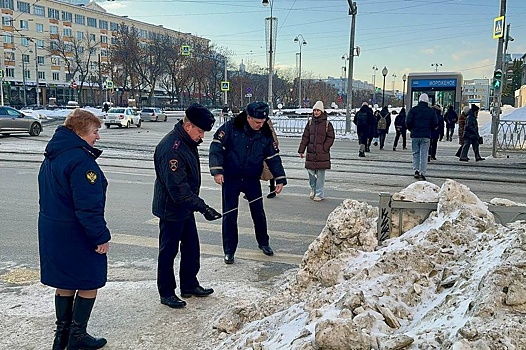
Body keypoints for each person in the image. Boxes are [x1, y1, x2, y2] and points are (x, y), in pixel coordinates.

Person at [38, 109, 110, 350]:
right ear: (80, 133)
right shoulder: (80, 160)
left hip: (53, 229)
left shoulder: (53, 154)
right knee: (90, 281)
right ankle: (77, 336)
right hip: (77, 232)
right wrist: (100, 237)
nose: (97, 137)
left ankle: (62, 337)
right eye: (94, 132)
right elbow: (88, 206)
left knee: (66, 280)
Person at [152, 103, 222, 309]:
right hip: (171, 208)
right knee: (168, 252)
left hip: (185, 207)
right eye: (200, 131)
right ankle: (166, 292)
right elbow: (178, 189)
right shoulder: (171, 149)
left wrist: (197, 206)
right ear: (188, 125)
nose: (202, 136)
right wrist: (203, 207)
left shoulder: (186, 142)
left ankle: (189, 284)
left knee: (191, 248)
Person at [209, 101, 287, 265]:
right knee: (230, 215)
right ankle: (229, 251)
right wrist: (217, 171)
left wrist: (280, 178)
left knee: (258, 213)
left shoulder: (265, 132)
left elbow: (273, 157)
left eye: (263, 122)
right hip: (231, 178)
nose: (260, 125)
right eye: (257, 122)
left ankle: (264, 243)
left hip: (252, 179)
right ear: (248, 117)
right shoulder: (231, 127)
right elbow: (216, 148)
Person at [298, 100, 335, 201]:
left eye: (318, 110)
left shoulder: (327, 124)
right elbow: (305, 137)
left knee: (320, 175)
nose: (316, 112)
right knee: (310, 172)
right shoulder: (310, 123)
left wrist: (324, 148)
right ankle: (313, 189)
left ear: (322, 111)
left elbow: (331, 137)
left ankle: (319, 193)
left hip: (322, 153)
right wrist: (301, 150)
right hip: (311, 152)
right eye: (315, 110)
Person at [406, 93, 438, 181]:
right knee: (424, 154)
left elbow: (408, 122)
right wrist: (430, 129)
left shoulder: (413, 110)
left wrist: (412, 129)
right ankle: (422, 172)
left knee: (415, 153)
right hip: (426, 135)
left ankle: (416, 170)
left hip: (415, 135)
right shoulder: (431, 111)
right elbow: (435, 123)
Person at [260, 118, 280, 198]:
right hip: (257, 149)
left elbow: (273, 135)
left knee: (270, 169)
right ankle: (251, 191)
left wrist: (274, 147)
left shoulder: (267, 122)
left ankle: (272, 189)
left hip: (266, 149)